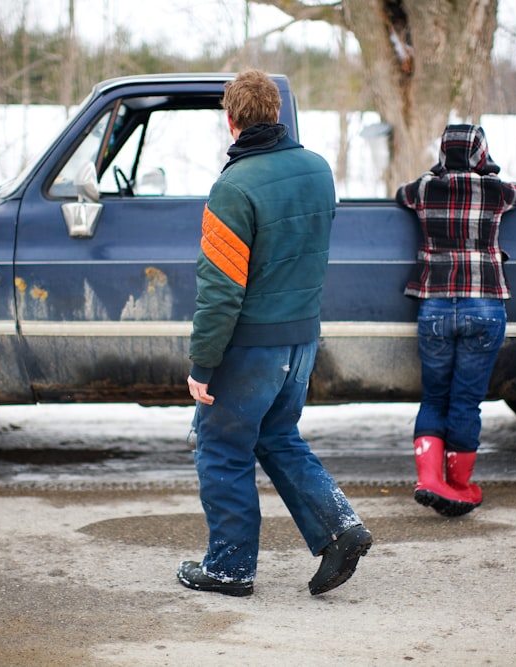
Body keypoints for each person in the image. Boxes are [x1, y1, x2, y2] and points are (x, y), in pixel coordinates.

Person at [178, 69, 372, 597]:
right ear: (277, 115)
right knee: (276, 436)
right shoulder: (318, 170)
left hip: (251, 347)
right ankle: (340, 528)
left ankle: (230, 568)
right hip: (301, 341)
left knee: (221, 447)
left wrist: (202, 364)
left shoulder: (233, 187)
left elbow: (220, 291)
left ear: (231, 119)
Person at [395, 124, 516, 517]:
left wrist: (436, 173)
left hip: (434, 306)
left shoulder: (424, 190)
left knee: (434, 396)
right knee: (466, 401)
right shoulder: (498, 192)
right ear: (480, 154)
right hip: (483, 306)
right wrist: (486, 171)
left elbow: (402, 193)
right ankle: (459, 485)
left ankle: (429, 480)